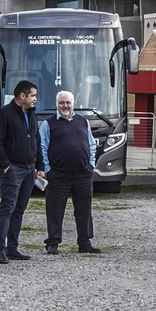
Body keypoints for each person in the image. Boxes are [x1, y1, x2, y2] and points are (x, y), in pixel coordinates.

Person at [38, 90, 100, 255]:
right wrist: (47, 169)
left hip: (83, 174)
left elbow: (91, 144)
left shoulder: (83, 122)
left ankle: (84, 242)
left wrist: (91, 165)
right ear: (56, 104)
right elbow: (42, 147)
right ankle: (53, 243)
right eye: (61, 103)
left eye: (68, 103)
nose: (65, 106)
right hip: (58, 175)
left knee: (84, 209)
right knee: (55, 210)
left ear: (74, 104)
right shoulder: (48, 124)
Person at [0, 79, 40, 264]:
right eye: (33, 95)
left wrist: (39, 166)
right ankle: (0, 250)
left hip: (29, 169)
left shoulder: (31, 115)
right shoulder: (4, 114)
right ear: (22, 96)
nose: (35, 99)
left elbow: (36, 141)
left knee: (19, 209)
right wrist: (6, 166)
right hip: (12, 169)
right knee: (7, 208)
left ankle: (12, 248)